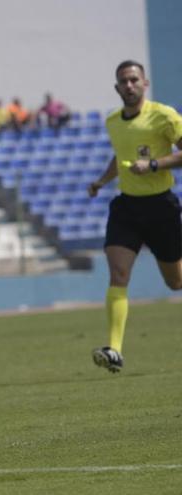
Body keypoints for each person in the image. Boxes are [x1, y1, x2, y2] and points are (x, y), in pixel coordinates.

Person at [87, 60, 182, 373]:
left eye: (133, 80)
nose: (128, 86)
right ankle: (114, 349)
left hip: (161, 208)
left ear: (145, 83)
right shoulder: (114, 121)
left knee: (175, 282)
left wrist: (155, 165)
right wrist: (101, 181)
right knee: (118, 274)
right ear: (116, 88)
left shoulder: (163, 116)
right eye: (123, 82)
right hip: (127, 208)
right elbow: (120, 156)